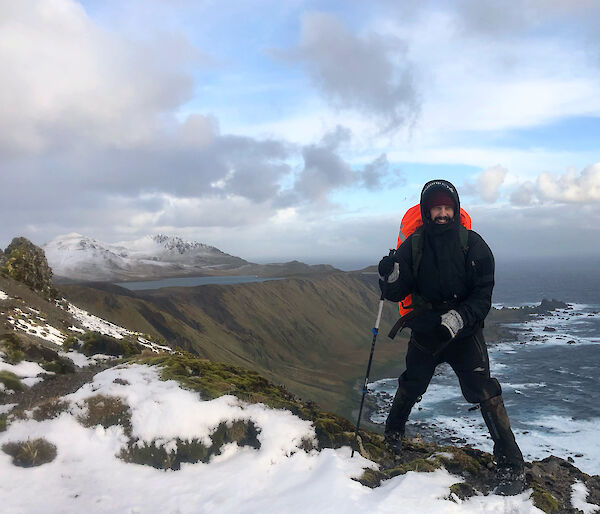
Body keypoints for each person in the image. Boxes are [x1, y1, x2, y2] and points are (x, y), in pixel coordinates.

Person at [377, 179, 525, 495]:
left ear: (455, 210)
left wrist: (458, 319)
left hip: (464, 333)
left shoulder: (474, 245)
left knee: (483, 390)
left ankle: (511, 463)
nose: (442, 214)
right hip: (427, 329)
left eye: (447, 208)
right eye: (436, 208)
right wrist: (390, 273)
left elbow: (483, 296)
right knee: (412, 383)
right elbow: (394, 291)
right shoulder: (414, 244)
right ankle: (391, 437)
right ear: (426, 211)